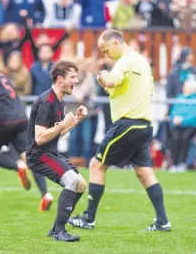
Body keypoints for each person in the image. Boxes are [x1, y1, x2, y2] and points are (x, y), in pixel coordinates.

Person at [68, 29, 171, 232]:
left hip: (127, 124)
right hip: (144, 125)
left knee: (96, 166)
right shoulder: (142, 62)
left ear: (115, 42)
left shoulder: (124, 62)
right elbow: (144, 90)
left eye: (106, 50)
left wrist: (102, 76)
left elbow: (112, 81)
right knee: (144, 173)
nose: (106, 54)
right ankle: (162, 221)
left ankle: (88, 218)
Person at [0, 47, 53, 211]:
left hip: (5, 120)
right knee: (30, 158)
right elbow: (0, 101)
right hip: (21, 117)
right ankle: (46, 195)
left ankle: (17, 166)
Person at [26, 60, 88, 241]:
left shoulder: (59, 101)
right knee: (72, 181)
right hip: (38, 155)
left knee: (81, 185)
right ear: (60, 79)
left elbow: (56, 133)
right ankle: (60, 232)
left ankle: (55, 229)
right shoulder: (47, 101)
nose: (76, 81)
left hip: (49, 152)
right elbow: (40, 138)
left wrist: (76, 120)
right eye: (73, 77)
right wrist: (63, 124)